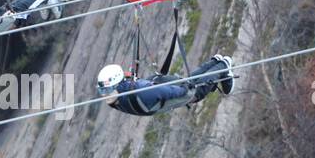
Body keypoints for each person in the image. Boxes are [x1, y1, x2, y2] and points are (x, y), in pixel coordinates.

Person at [97, 54, 235, 116]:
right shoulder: (115, 99)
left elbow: (163, 92)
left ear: (118, 84)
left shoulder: (141, 92)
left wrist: (182, 91)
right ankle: (214, 62)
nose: (105, 95)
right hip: (154, 87)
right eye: (102, 91)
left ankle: (223, 66)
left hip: (158, 90)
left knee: (195, 92)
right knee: (190, 83)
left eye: (108, 90)